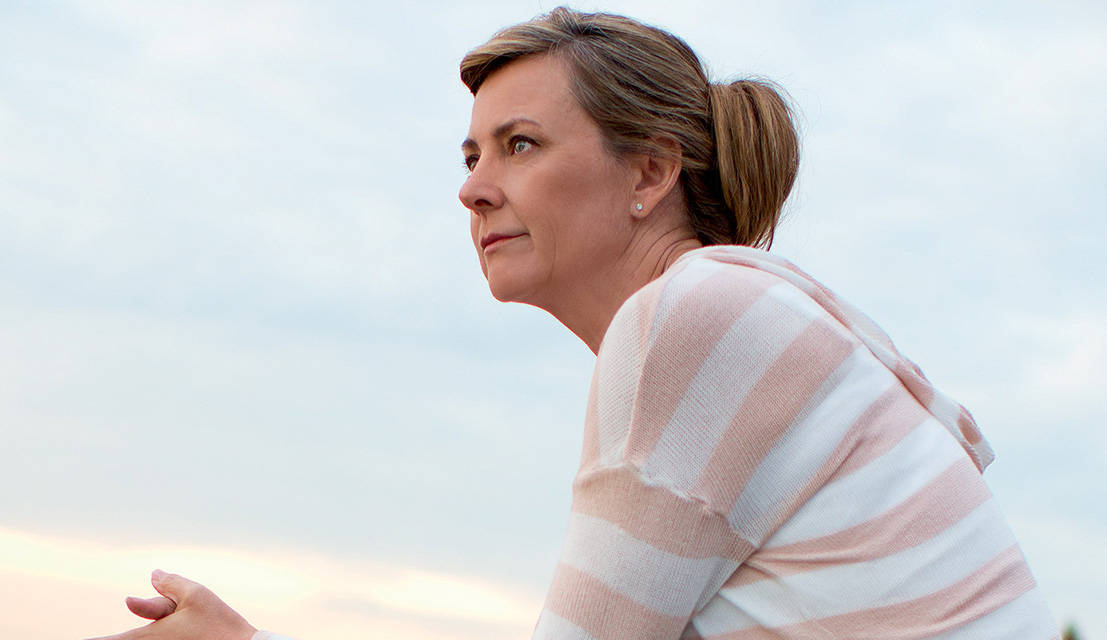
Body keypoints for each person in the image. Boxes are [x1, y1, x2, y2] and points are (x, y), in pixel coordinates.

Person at [88, 8, 1058, 640]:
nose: (473, 189)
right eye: (470, 153)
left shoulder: (697, 318)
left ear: (649, 174)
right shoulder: (745, 309)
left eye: (520, 145)